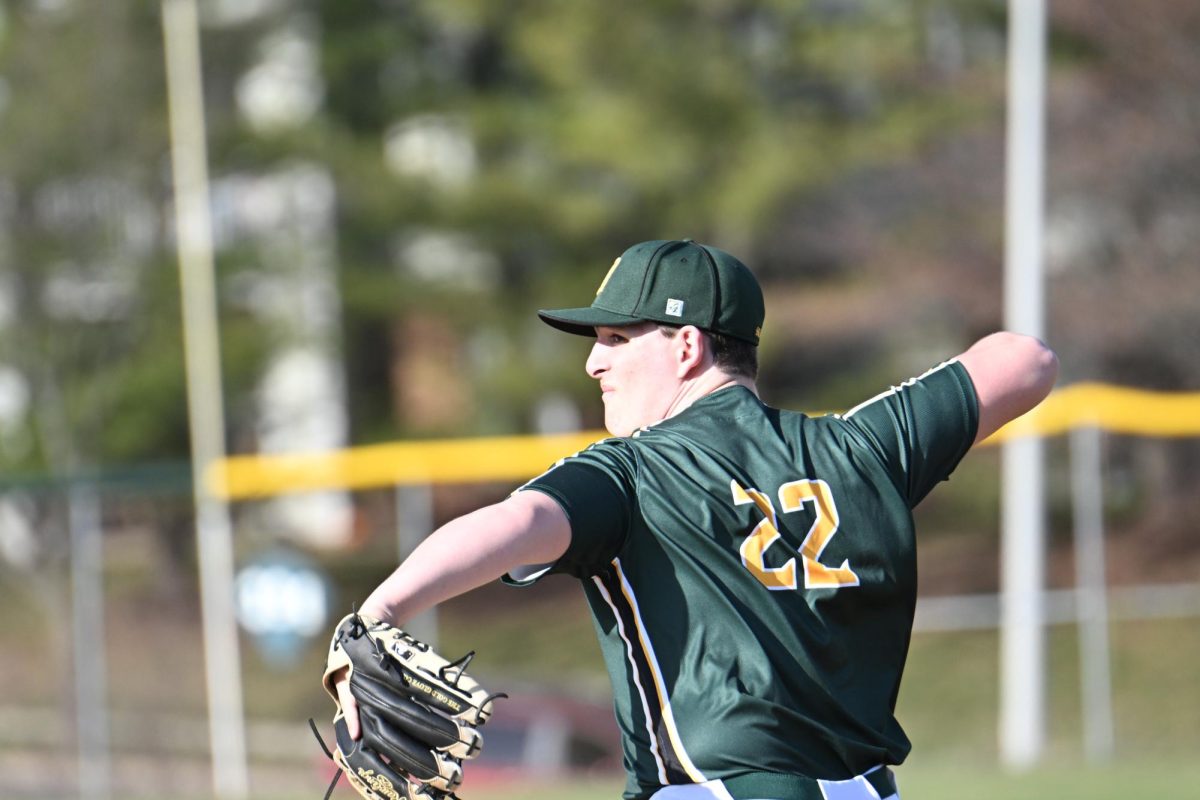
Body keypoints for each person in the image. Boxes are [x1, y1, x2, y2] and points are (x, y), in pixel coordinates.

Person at [333, 239, 1059, 800]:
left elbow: (519, 522)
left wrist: (382, 606)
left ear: (688, 346)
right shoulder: (858, 449)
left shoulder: (631, 473)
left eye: (617, 339)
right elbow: (1025, 359)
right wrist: (873, 435)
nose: (594, 364)